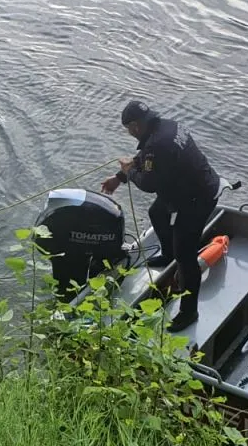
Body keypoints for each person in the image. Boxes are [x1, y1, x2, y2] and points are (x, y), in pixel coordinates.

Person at [100, 100, 221, 332]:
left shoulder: (158, 145)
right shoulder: (166, 126)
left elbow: (148, 182)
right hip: (190, 186)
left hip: (197, 199)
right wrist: (120, 177)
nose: (130, 134)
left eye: (129, 130)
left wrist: (128, 172)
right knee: (157, 212)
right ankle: (167, 255)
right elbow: (149, 159)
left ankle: (189, 312)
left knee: (185, 257)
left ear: (135, 126)